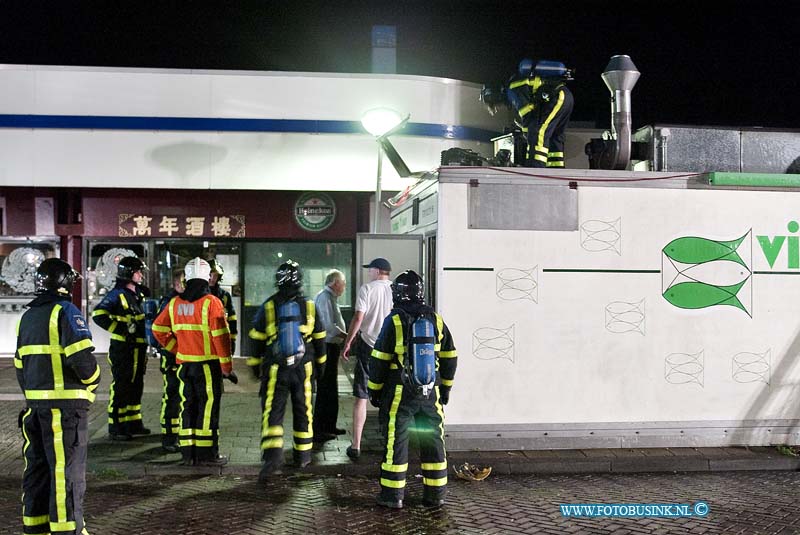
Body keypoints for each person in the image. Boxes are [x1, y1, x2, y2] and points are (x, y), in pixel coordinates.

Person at [16, 258, 101, 535]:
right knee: (66, 473)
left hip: (34, 409)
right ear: (65, 283)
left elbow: (20, 366)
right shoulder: (65, 311)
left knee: (38, 471)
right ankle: (68, 530)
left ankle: (35, 527)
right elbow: (82, 359)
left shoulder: (27, 316)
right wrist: (93, 383)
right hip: (64, 412)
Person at [368, 270, 458, 509]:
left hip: (400, 393)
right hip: (431, 393)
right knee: (433, 441)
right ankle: (435, 495)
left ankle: (392, 496)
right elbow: (450, 356)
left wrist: (374, 390)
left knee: (397, 442)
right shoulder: (435, 319)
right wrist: (446, 388)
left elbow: (379, 360)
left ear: (398, 293)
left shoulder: (394, 321)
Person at [248, 260, 327, 479]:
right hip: (305, 368)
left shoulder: (269, 305)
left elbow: (255, 339)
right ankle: (302, 456)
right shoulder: (309, 305)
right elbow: (320, 338)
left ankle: (273, 458)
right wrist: (321, 366)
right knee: (304, 411)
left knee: (273, 412)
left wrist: (255, 367)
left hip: (276, 369)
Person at [152, 257, 235, 466]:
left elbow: (158, 330)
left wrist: (177, 349)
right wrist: (227, 368)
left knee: (187, 406)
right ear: (207, 278)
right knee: (207, 409)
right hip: (207, 366)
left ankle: (188, 453)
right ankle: (207, 455)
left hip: (184, 366)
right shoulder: (212, 303)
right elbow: (222, 338)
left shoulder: (175, 303)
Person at [91, 255, 150, 440]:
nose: (141, 275)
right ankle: (117, 427)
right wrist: (121, 330)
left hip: (138, 348)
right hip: (123, 348)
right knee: (122, 385)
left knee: (136, 385)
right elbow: (98, 314)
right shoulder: (116, 295)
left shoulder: (137, 294)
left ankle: (133, 423)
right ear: (129, 273)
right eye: (138, 271)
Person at [341, 257, 393, 461]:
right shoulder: (395, 289)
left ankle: (356, 445)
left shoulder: (367, 289)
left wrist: (348, 342)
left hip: (367, 347)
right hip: (389, 348)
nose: (368, 272)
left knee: (361, 396)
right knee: (390, 396)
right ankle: (390, 443)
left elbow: (358, 318)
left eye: (370, 269)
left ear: (378, 270)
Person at [507, 58, 574, 168]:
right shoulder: (519, 81)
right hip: (566, 96)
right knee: (554, 136)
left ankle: (535, 168)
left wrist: (526, 132)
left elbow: (527, 112)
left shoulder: (513, 89)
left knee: (537, 131)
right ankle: (555, 168)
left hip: (556, 96)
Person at [312, 269, 348, 442]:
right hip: (325, 346)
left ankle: (329, 425)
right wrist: (347, 336)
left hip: (331, 347)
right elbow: (328, 325)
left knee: (331, 387)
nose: (344, 287)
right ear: (335, 283)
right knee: (325, 387)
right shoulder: (325, 298)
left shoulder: (330, 298)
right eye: (343, 283)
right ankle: (320, 429)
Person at [155, 270, 184, 453]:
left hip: (182, 357)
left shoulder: (184, 302)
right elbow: (159, 331)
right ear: (175, 284)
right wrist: (176, 348)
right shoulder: (170, 302)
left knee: (180, 397)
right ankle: (168, 437)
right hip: (171, 357)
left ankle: (177, 434)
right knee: (172, 396)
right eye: (182, 282)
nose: (184, 285)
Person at [208, 258, 238, 355]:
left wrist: (232, 340)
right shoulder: (198, 295)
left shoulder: (224, 296)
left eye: (215, 275)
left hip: (221, 337)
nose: (212, 278)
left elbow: (232, 318)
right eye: (210, 275)